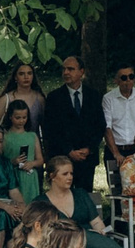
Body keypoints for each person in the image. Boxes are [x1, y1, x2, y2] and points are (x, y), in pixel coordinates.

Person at [42, 54, 105, 193]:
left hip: (86, 158)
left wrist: (89, 149)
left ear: (81, 72)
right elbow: (50, 129)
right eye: (64, 69)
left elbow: (100, 126)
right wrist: (69, 151)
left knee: (84, 196)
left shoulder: (94, 96)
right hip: (62, 157)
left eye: (70, 69)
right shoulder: (54, 97)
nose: (66, 73)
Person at [101, 64, 135, 188]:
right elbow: (107, 127)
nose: (128, 80)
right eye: (124, 78)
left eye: (131, 76)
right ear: (116, 81)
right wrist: (115, 153)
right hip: (116, 148)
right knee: (117, 188)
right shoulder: (108, 98)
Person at [0, 99, 42, 203]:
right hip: (13, 177)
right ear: (10, 117)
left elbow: (40, 160)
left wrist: (32, 163)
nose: (21, 121)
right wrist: (13, 162)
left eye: (24, 117)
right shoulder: (5, 137)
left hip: (30, 177)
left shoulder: (32, 136)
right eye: (17, 118)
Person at [0, 62, 45, 133]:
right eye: (21, 74)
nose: (26, 77)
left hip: (33, 142)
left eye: (29, 73)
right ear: (15, 77)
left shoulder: (40, 99)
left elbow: (45, 125)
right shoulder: (6, 99)